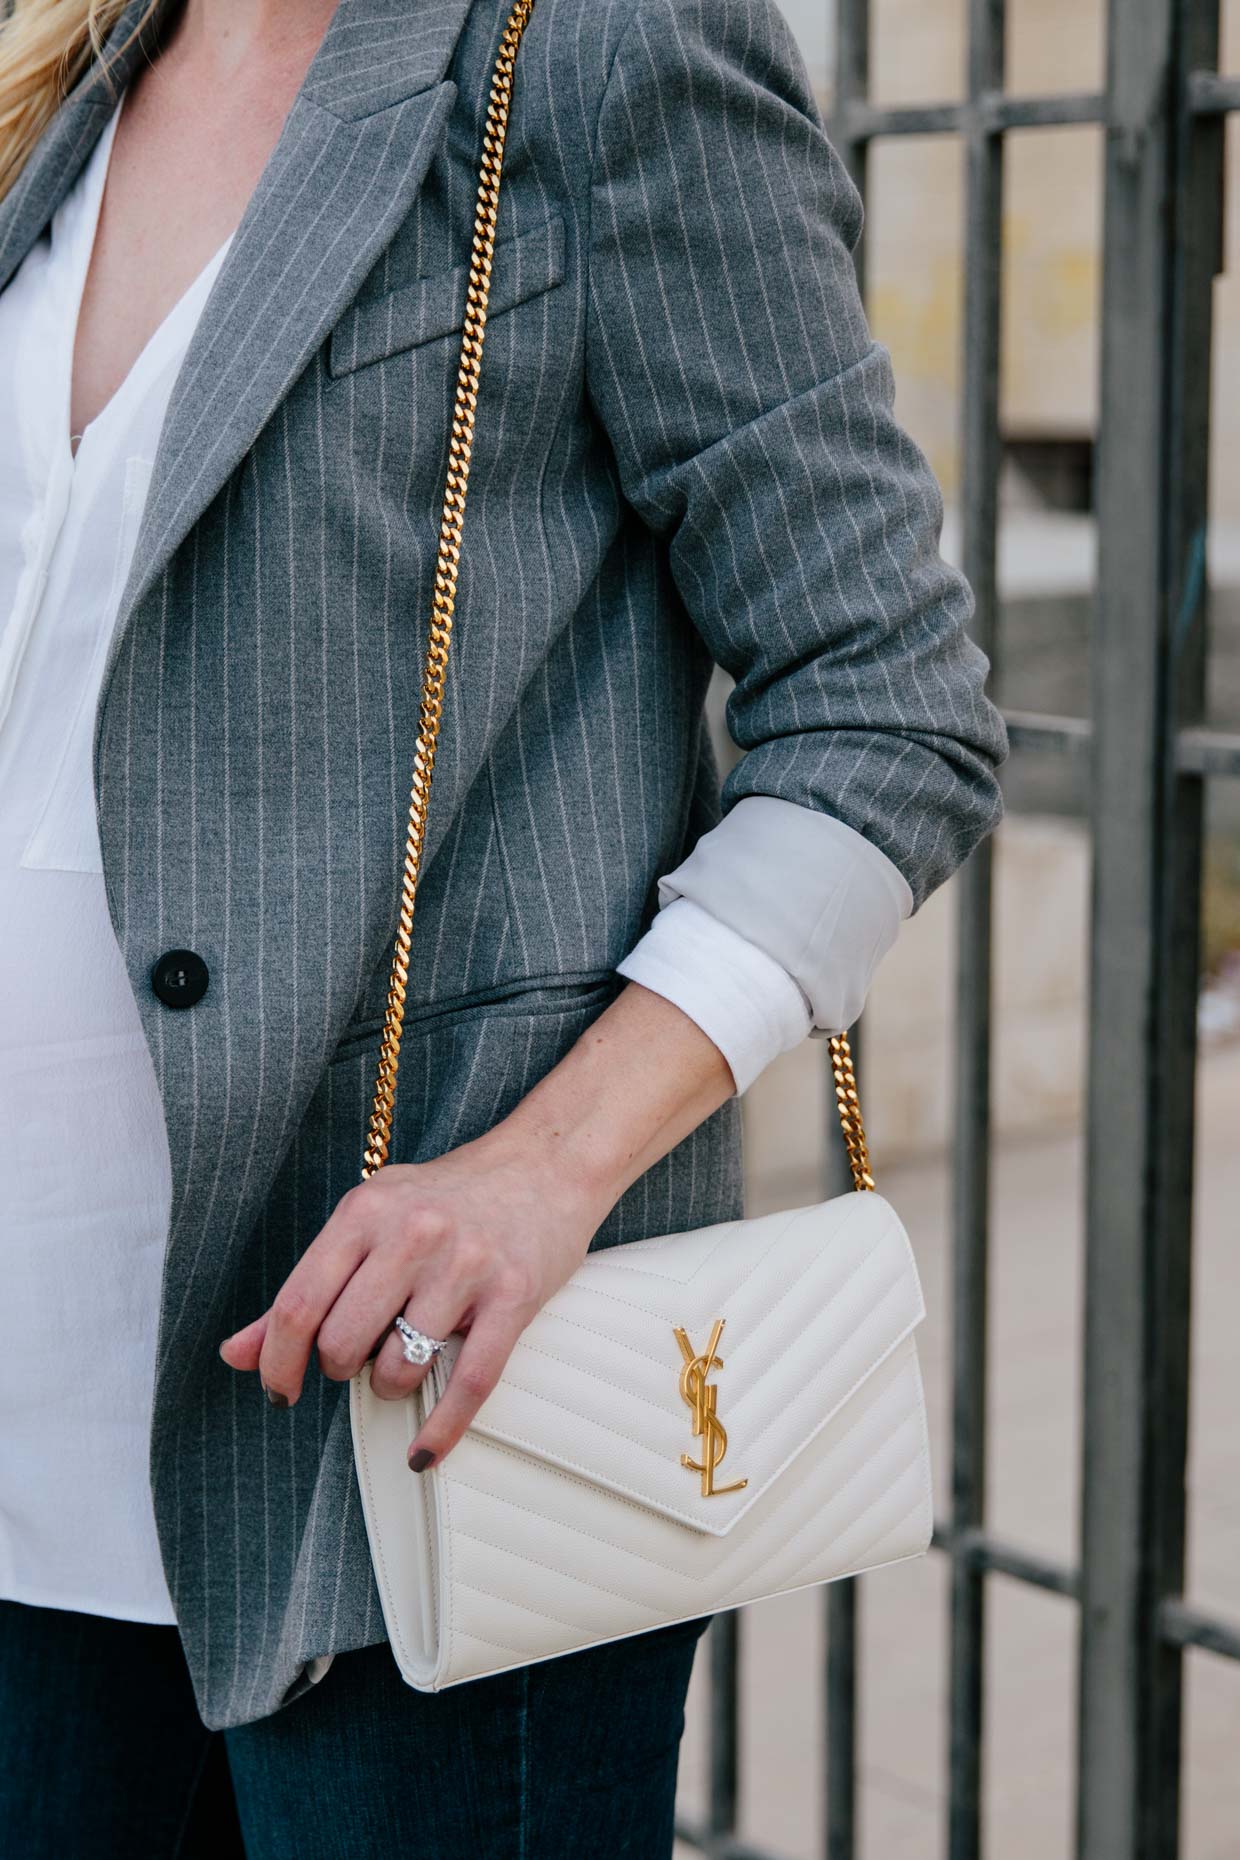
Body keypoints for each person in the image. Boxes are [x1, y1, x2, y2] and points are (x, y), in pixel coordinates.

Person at [0, 0, 1008, 1853]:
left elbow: (889, 703)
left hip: (392, 1443)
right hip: (23, 1432)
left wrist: (544, 1170)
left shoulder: (603, 47)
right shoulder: (71, 72)